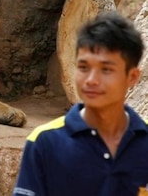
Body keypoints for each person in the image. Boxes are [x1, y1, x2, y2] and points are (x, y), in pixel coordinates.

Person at [13, 11, 148, 196]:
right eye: (83, 68)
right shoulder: (45, 142)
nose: (91, 80)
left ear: (132, 77)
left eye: (106, 69)